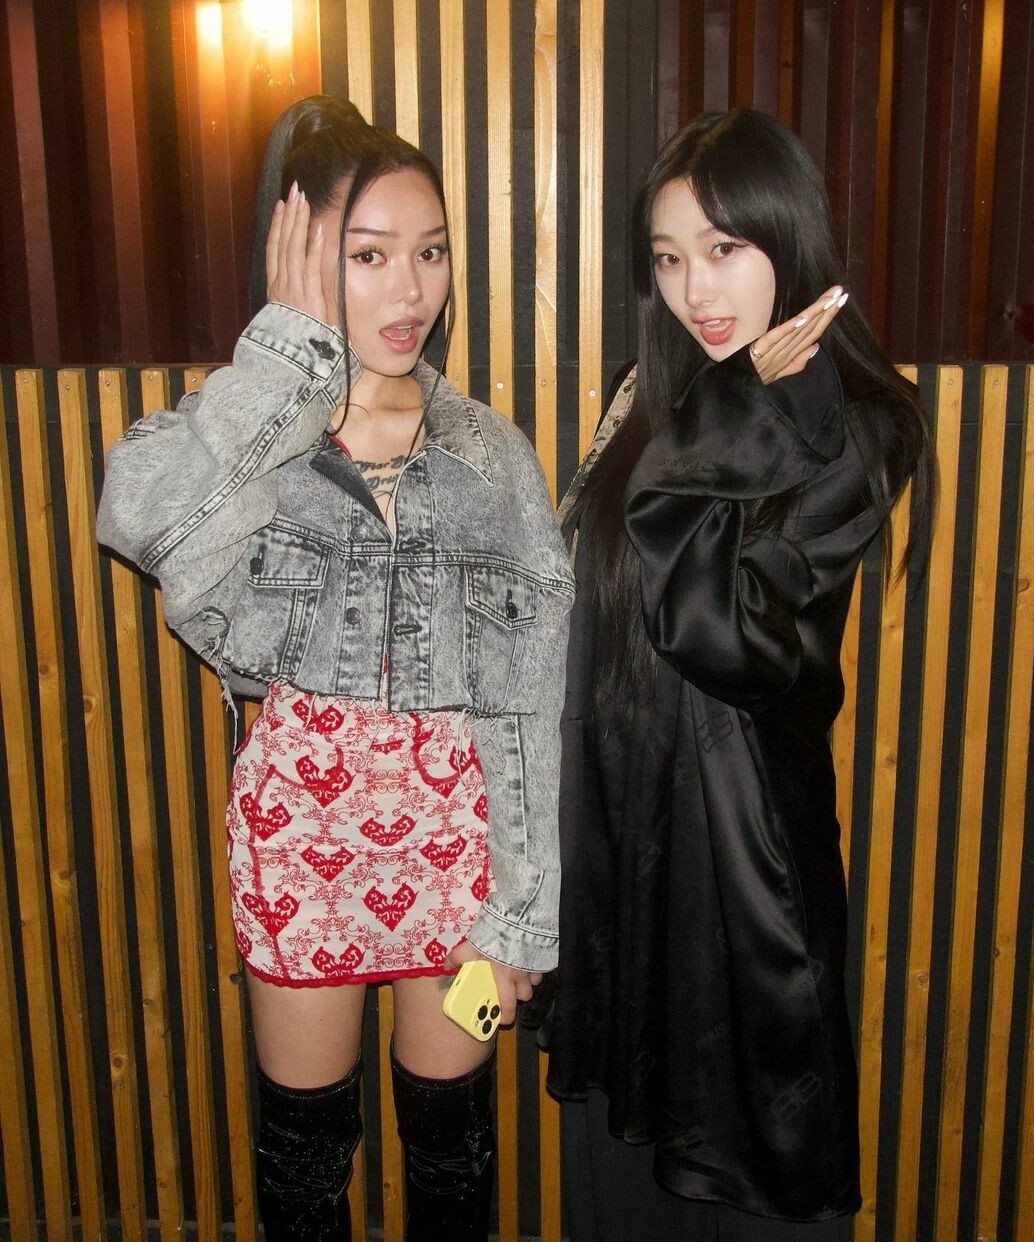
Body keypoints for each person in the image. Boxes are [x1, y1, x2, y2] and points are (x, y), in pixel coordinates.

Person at [98, 95, 573, 1241]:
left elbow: (528, 702)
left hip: (456, 853)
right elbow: (138, 519)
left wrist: (522, 912)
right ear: (304, 256)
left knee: (452, 1161)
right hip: (302, 848)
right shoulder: (255, 439)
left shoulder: (491, 454)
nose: (410, 290)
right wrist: (283, 364)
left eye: (430, 253)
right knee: (305, 1170)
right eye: (369, 256)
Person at [544, 109, 936, 1240]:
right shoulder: (648, 391)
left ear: (788, 236)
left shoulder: (859, 425)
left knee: (749, 1179)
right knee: (624, 1182)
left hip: (741, 861)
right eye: (668, 258)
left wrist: (723, 419)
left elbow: (727, 638)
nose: (695, 289)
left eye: (724, 248)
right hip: (624, 847)